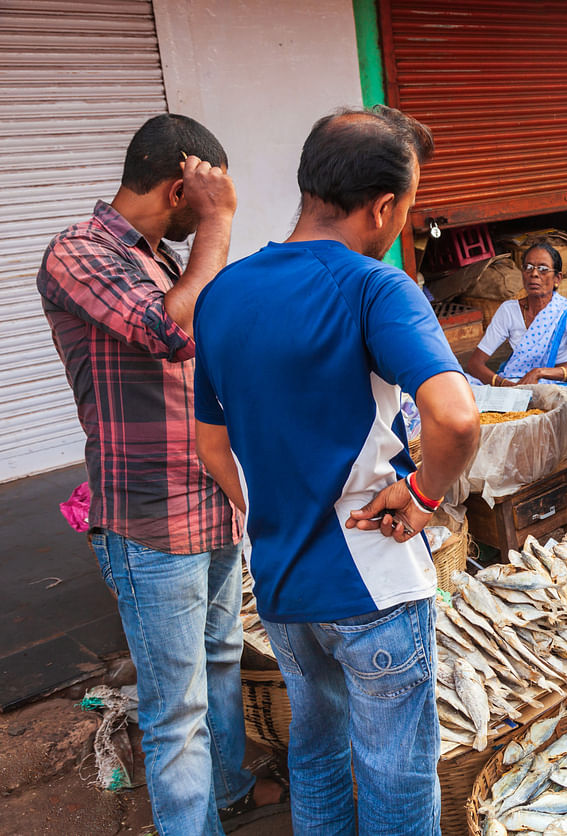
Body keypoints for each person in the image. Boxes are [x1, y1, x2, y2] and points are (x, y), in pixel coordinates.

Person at [193, 106, 481, 833]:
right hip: (374, 578)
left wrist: (273, 510)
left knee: (316, 756)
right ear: (384, 206)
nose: (404, 226)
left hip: (284, 584)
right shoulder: (374, 288)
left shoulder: (221, 293)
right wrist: (420, 493)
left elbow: (209, 443)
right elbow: (455, 418)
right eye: (409, 209)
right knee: (395, 781)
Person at [36, 114, 286, 834]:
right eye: (204, 199)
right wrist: (219, 225)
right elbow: (172, 332)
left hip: (208, 505)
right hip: (150, 519)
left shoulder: (158, 259)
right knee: (176, 709)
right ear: (183, 188)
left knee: (220, 661)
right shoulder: (78, 252)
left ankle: (231, 790)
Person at [465, 241, 567, 415]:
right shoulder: (508, 310)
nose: (534, 274)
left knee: (564, 404)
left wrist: (539, 373)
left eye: (543, 269)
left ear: (557, 278)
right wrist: (505, 385)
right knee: (461, 384)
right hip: (515, 384)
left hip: (555, 386)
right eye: (528, 267)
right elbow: (474, 364)